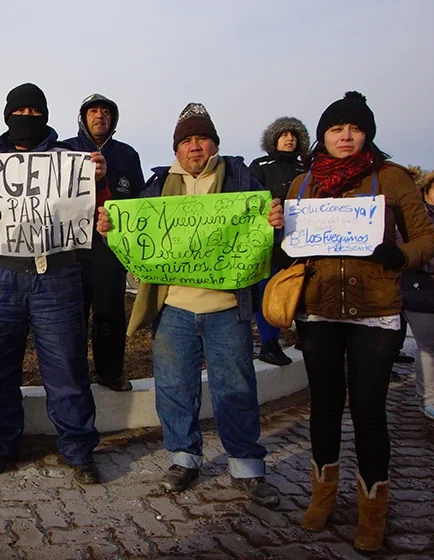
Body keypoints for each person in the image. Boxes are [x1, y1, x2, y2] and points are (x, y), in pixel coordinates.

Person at [272, 92, 434, 552]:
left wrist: (400, 255)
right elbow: (286, 247)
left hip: (375, 312)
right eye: (336, 129)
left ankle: (372, 511)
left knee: (368, 412)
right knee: (324, 407)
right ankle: (322, 496)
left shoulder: (391, 179)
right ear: (322, 136)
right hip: (319, 312)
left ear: (367, 134)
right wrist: (275, 228)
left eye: (355, 128)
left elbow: (427, 238)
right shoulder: (301, 185)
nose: (345, 137)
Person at [96, 102, 280, 508]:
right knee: (175, 387)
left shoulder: (241, 179)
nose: (195, 147)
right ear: (176, 149)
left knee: (235, 387)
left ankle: (247, 464)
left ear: (214, 143)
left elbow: (265, 222)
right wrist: (111, 229)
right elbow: (136, 234)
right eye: (186, 141)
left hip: (227, 307)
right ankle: (183, 458)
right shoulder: (158, 186)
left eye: (202, 138)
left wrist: (274, 218)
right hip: (174, 308)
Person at [0, 83, 104, 484]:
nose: (26, 119)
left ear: (46, 117)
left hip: (58, 274)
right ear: (7, 116)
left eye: (35, 113)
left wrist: (99, 178)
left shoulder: (72, 161)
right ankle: (0, 446)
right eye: (20, 112)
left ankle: (78, 450)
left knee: (66, 365)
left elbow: (96, 211)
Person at [65, 94, 145, 391]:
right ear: (83, 117)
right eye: (94, 111)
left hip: (110, 248)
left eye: (106, 112)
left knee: (109, 313)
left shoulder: (127, 155)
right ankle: (72, 376)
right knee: (71, 315)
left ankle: (110, 372)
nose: (100, 116)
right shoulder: (66, 149)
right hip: (71, 249)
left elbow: (139, 201)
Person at [250, 117, 309, 365]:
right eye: (284, 134)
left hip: (305, 238)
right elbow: (251, 199)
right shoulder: (260, 166)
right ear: (273, 139)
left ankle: (305, 334)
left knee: (303, 287)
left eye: (293, 135)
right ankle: (269, 342)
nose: (289, 139)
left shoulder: (307, 169)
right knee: (268, 290)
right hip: (271, 240)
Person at [402, 169, 434, 420]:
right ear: (425, 194)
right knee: (430, 347)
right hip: (422, 287)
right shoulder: (414, 220)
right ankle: (430, 398)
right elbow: (407, 251)